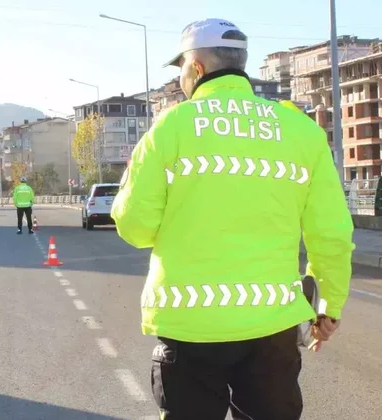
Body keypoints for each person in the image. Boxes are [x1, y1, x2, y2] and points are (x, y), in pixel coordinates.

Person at [110, 18, 354, 420]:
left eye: (181, 68)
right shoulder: (300, 130)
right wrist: (329, 305)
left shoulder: (171, 126)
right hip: (271, 325)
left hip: (190, 326)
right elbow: (331, 233)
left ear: (197, 68)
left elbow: (135, 228)